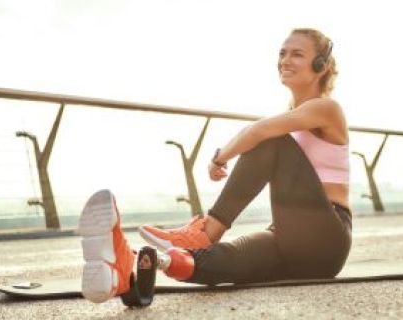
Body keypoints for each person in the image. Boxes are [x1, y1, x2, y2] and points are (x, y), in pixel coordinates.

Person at [78, 27, 352, 303]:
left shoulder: (327, 109)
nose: (285, 60)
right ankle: (130, 270)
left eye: (297, 54)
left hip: (326, 236)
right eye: (282, 53)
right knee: (227, 260)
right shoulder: (294, 117)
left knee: (270, 141)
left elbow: (259, 132)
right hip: (293, 242)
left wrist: (221, 157)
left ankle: (208, 231)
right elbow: (259, 132)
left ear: (321, 66)